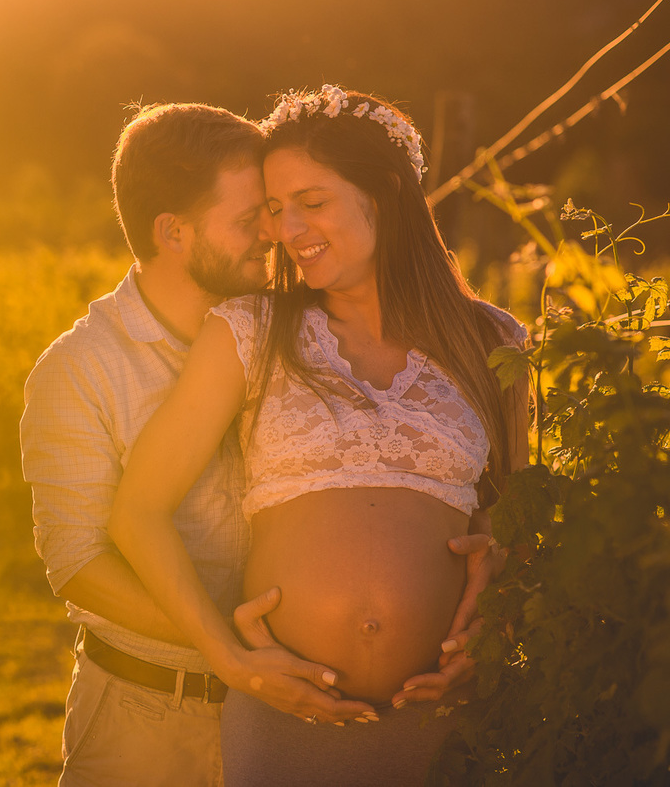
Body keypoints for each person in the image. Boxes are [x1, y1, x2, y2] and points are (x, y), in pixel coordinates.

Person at [108, 85, 529, 786]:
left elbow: (514, 512)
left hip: (446, 710)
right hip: (287, 717)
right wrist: (229, 657)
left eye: (313, 200)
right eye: (274, 208)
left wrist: (493, 619)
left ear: (385, 194)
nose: (285, 228)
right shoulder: (248, 330)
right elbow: (136, 512)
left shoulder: (493, 341)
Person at [20, 102, 380, 787]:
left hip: (290, 713)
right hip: (147, 716)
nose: (274, 236)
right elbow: (77, 562)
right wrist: (229, 649)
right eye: (251, 220)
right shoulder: (80, 368)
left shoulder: (298, 329)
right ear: (173, 232)